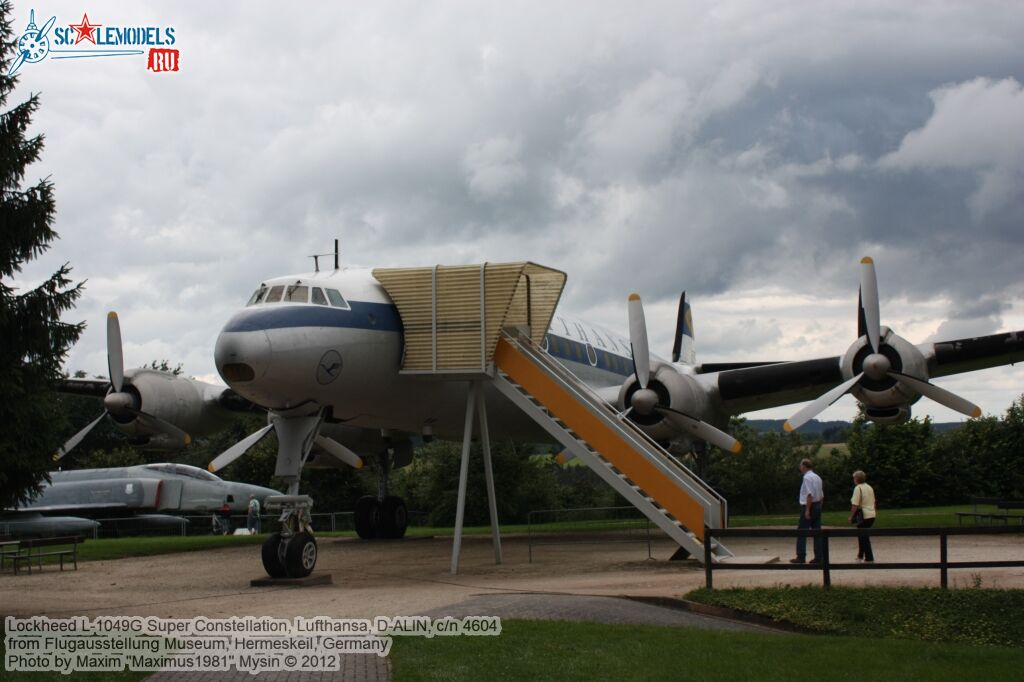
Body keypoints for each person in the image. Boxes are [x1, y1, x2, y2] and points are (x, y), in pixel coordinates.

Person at [791, 458, 824, 564]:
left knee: (802, 531)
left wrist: (807, 510)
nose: (800, 467)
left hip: (809, 505)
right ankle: (819, 557)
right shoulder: (817, 477)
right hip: (818, 505)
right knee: (817, 532)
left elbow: (809, 494)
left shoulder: (807, 477)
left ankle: (801, 556)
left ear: (804, 466)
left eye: (800, 466)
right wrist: (819, 507)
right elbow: (821, 495)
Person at [849, 470, 876, 562]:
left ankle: (869, 558)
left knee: (863, 537)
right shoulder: (869, 487)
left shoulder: (858, 488)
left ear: (856, 479)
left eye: (854, 478)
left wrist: (851, 516)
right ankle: (860, 556)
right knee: (863, 536)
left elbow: (855, 504)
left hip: (863, 515)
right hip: (872, 515)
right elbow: (874, 501)